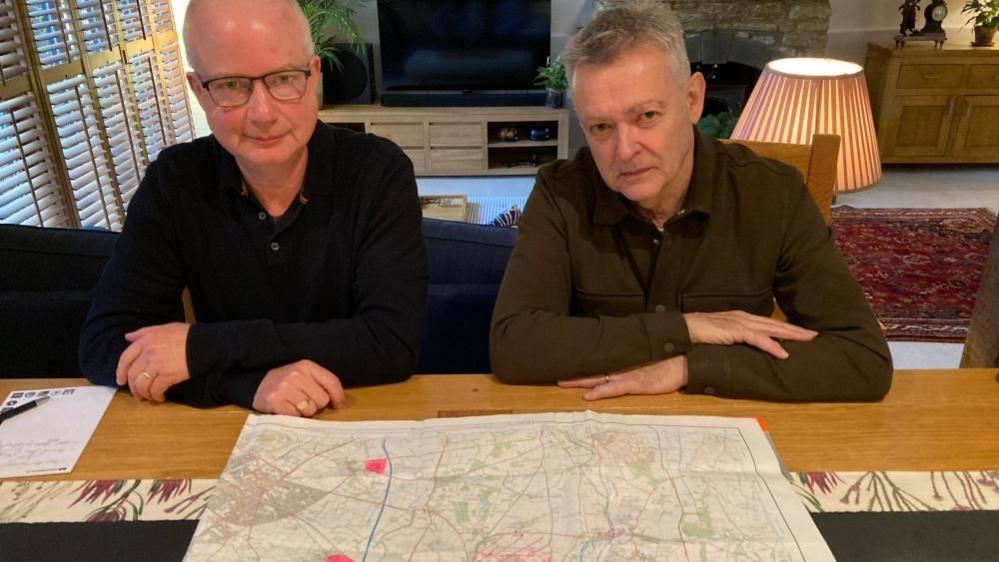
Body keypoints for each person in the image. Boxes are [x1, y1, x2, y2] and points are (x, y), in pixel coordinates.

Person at [490, 0, 891, 402]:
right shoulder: (560, 193)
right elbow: (514, 346)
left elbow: (862, 357)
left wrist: (687, 367)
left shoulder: (774, 194)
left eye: (646, 116)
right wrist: (688, 328)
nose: (624, 150)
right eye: (601, 126)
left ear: (693, 100)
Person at [79, 0, 427, 416]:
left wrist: (198, 347)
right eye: (230, 85)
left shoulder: (378, 171)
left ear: (314, 75)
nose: (262, 113)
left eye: (284, 79)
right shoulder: (175, 182)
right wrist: (246, 385)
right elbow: (105, 345)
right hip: (222, 436)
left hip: (359, 415)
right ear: (198, 91)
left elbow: (390, 344)